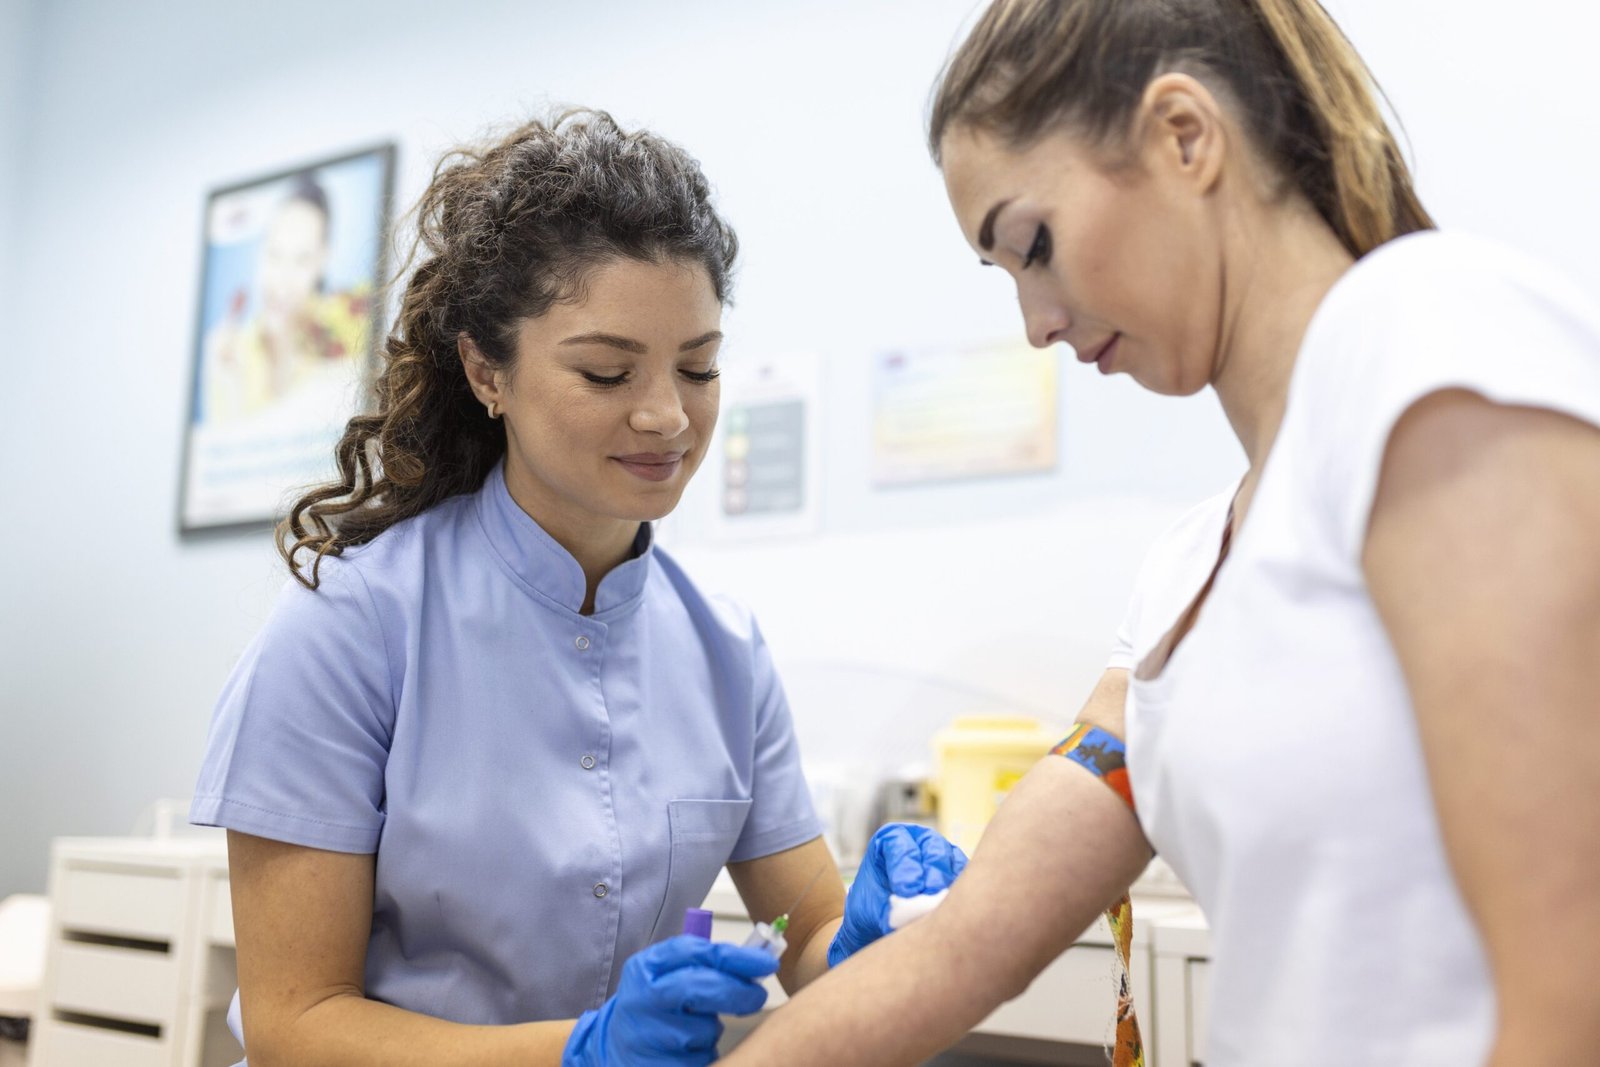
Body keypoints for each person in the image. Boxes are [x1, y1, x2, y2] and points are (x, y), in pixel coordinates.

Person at [719, 2, 1600, 1065]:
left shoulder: (1424, 337)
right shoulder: (1193, 576)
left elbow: (1571, 991)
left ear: (1184, 134)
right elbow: (959, 951)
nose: (1035, 323)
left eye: (1031, 245)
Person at [189, 110, 964, 1067]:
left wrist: (868, 937)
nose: (666, 415)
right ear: (486, 369)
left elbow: (808, 935)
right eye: (605, 371)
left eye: (700, 366)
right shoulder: (352, 627)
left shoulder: (724, 651)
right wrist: (579, 1051)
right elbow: (295, 1023)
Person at [202, 172, 371, 422]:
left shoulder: (353, 321)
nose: (282, 278)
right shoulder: (231, 350)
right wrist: (228, 385)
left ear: (323, 260)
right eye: (274, 254)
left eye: (301, 260)